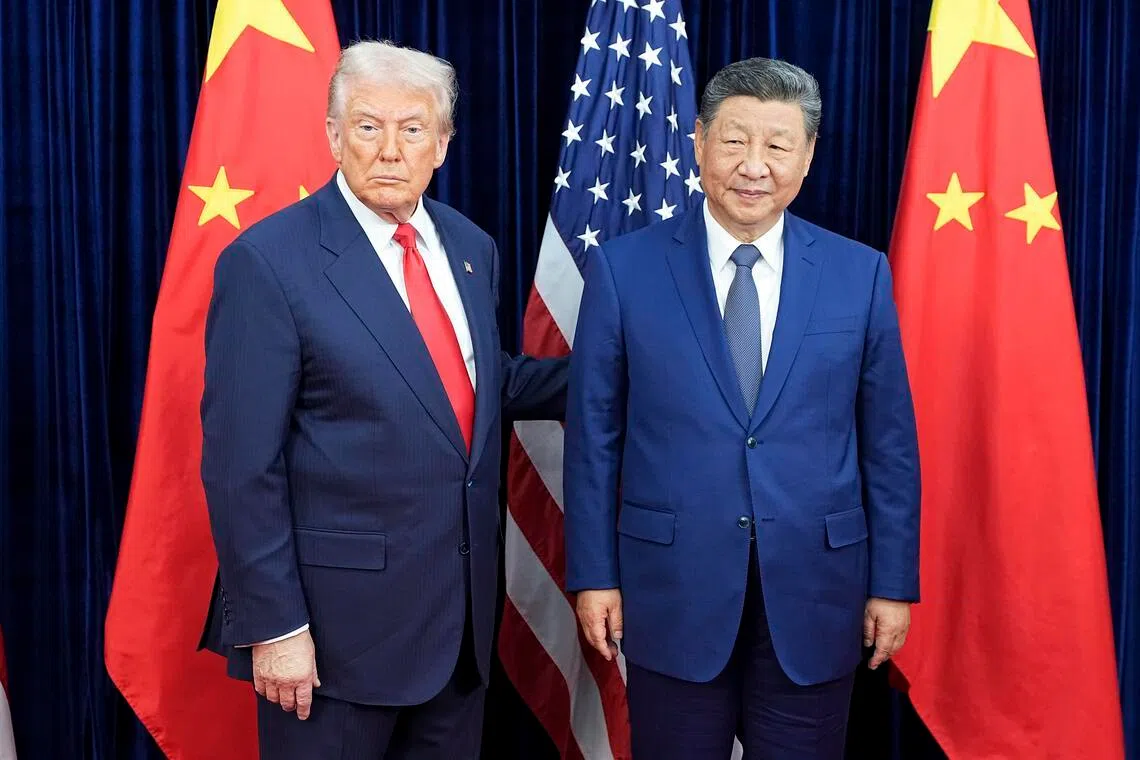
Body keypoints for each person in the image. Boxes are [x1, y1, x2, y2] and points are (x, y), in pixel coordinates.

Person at [199, 40, 567, 759]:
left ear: (443, 143)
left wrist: (623, 371)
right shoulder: (268, 263)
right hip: (331, 646)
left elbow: (466, 383)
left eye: (413, 128)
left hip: (457, 635)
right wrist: (274, 629)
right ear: (334, 136)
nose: (390, 149)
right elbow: (243, 466)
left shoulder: (469, 246)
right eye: (368, 126)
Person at [564, 57, 921, 759]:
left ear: (809, 154)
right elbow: (594, 437)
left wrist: (893, 583)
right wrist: (593, 574)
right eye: (734, 141)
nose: (753, 165)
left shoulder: (860, 273)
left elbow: (888, 444)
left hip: (818, 590)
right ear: (697, 141)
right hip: (671, 591)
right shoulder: (622, 269)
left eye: (777, 145)